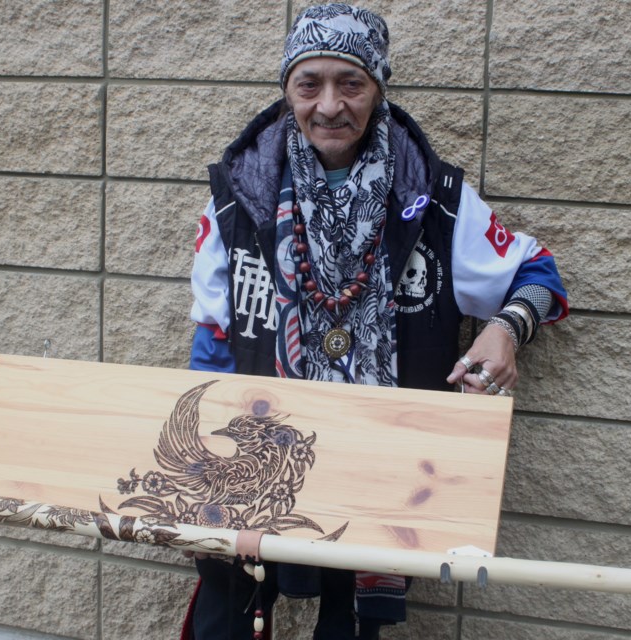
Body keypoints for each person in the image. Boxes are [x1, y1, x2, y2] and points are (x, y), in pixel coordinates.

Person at [183, 4, 568, 638]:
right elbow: (213, 342)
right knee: (228, 620)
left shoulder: (436, 200)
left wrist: (506, 329)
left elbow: (539, 273)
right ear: (287, 90)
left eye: (351, 83)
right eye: (309, 84)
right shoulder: (237, 198)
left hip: (378, 471)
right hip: (258, 463)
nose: (329, 105)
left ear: (379, 87)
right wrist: (208, 479)